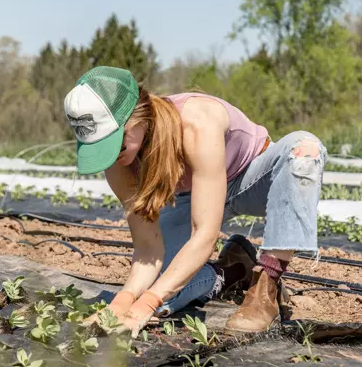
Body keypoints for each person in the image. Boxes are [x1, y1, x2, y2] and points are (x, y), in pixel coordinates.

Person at [64, 66, 326, 338]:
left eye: (116, 143)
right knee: (161, 291)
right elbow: (148, 249)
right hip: (193, 197)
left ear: (138, 115)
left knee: (304, 150)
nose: (113, 156)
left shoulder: (195, 122)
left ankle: (266, 286)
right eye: (100, 148)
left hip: (252, 180)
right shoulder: (119, 163)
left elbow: (204, 235)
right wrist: (124, 302)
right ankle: (231, 270)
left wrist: (146, 303)